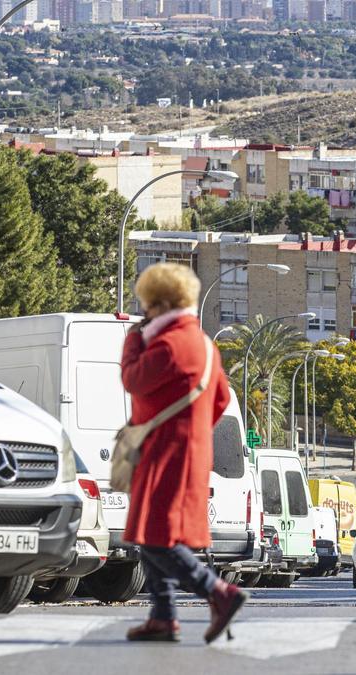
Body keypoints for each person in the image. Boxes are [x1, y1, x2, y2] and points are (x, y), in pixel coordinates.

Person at [120, 262, 248, 644]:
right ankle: (162, 616)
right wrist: (194, 428)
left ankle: (218, 592)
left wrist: (131, 342)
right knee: (149, 531)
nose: (144, 312)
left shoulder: (168, 343)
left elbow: (133, 379)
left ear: (159, 303)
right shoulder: (205, 345)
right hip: (189, 450)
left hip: (165, 450)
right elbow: (222, 398)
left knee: (157, 536)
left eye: (147, 304)